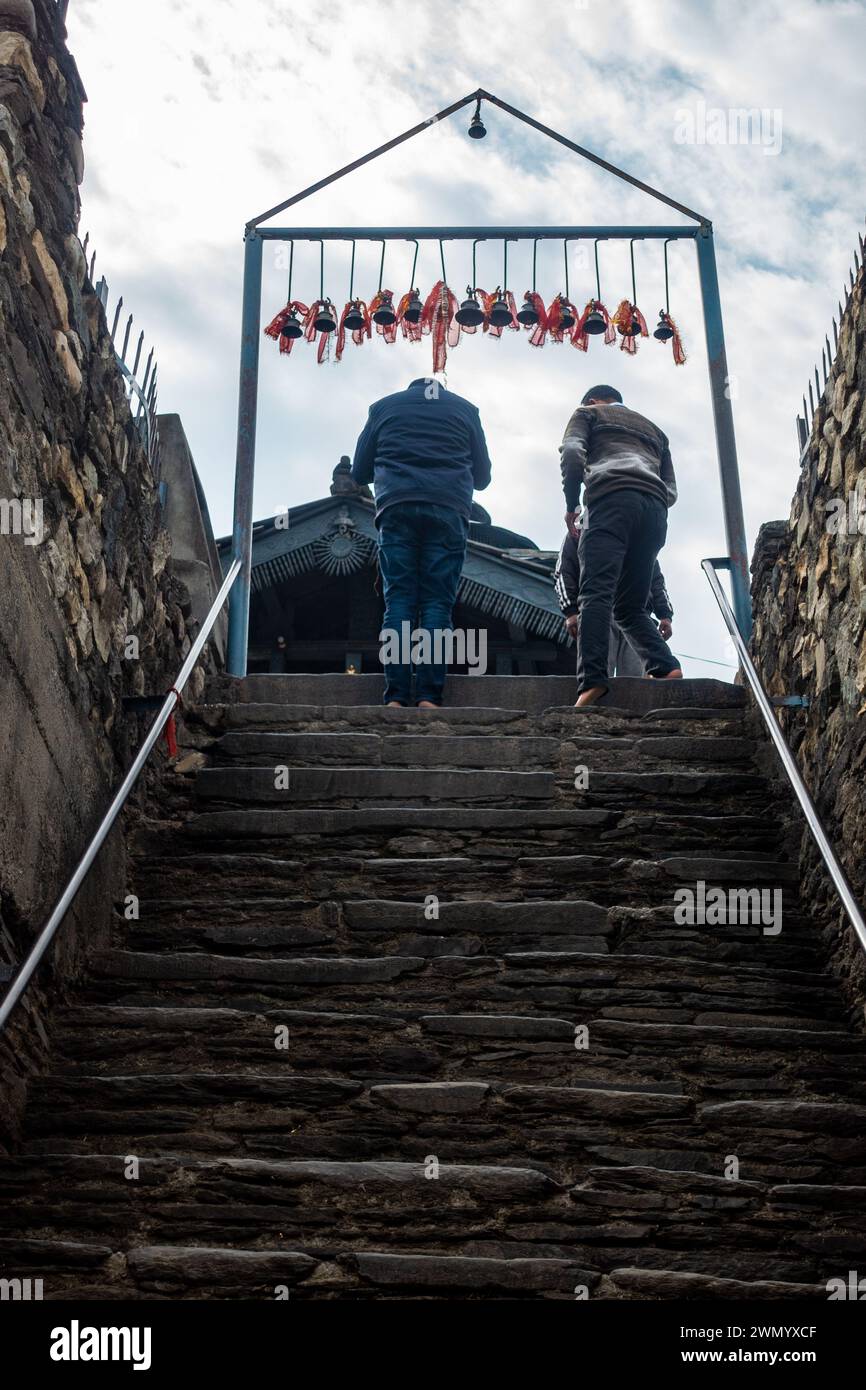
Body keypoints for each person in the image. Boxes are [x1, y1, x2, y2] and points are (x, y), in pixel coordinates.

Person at [351, 377, 492, 708]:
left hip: (397, 506)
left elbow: (358, 473)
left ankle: (396, 697)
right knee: (436, 603)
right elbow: (483, 477)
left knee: (398, 600)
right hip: (448, 509)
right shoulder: (466, 410)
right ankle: (429, 696)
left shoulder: (382, 408)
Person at [559, 384, 682, 706]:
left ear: (593, 400)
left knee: (595, 593)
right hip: (655, 513)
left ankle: (592, 682)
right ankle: (665, 666)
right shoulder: (655, 430)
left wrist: (573, 503)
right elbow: (671, 486)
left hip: (610, 501)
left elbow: (572, 454)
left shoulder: (587, 413)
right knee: (629, 607)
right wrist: (652, 498)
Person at [554, 526, 675, 676]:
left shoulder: (634, 527)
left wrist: (665, 614)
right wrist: (570, 611)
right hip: (599, 610)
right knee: (599, 674)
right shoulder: (580, 529)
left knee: (635, 682)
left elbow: (655, 577)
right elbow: (564, 572)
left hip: (637, 616)